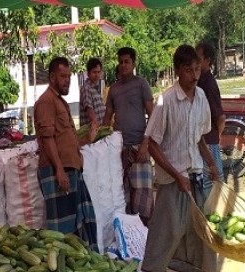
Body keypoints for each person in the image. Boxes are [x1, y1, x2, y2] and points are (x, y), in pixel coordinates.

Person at [141, 45, 241, 272]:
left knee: (207, 236)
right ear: (178, 71)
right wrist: (176, 175)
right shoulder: (166, 101)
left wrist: (211, 163)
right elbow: (152, 145)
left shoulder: (201, 99)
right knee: (167, 232)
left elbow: (199, 138)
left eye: (197, 69)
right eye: (189, 70)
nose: (195, 75)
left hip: (197, 175)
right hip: (172, 180)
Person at [34, 57, 99, 251]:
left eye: (69, 77)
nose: (67, 80)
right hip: (57, 174)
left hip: (71, 171)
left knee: (78, 228)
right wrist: (60, 171)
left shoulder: (59, 102)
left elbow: (66, 140)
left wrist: (88, 138)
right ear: (52, 77)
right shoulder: (46, 102)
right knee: (61, 233)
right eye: (63, 76)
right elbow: (47, 139)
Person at [104, 47, 155, 225]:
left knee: (143, 195)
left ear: (133, 64)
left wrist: (145, 144)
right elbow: (107, 119)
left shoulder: (142, 84)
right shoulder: (113, 90)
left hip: (139, 147)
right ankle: (129, 234)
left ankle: (145, 236)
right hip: (119, 150)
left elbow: (153, 116)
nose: (123, 65)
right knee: (122, 196)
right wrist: (102, 144)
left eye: (127, 62)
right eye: (121, 62)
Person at [195, 41, 225, 181]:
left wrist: (216, 135)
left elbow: (220, 118)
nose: (195, 63)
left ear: (208, 61)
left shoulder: (208, 84)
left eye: (199, 59)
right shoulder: (198, 82)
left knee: (212, 185)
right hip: (199, 141)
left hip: (209, 141)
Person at [79, 58, 105, 128]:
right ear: (88, 73)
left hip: (99, 132)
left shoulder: (95, 89)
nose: (97, 75)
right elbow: (89, 109)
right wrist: (97, 127)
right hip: (92, 134)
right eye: (94, 72)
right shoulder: (86, 88)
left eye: (98, 72)